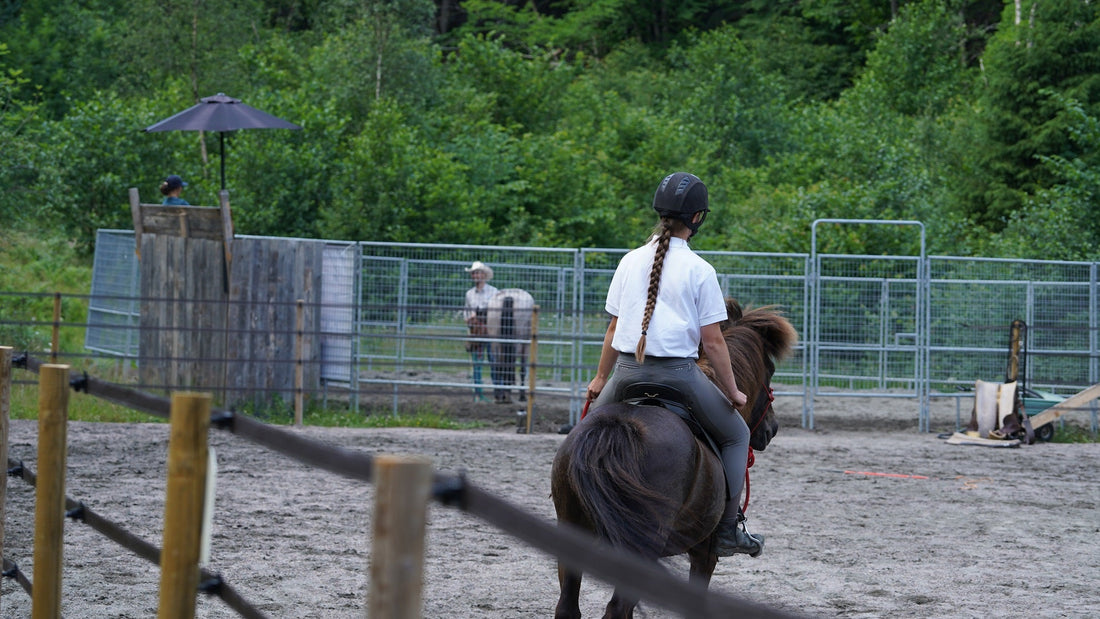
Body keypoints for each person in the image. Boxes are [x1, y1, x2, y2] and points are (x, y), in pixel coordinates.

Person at [585, 171, 764, 557]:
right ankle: (729, 530)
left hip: (627, 374)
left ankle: (575, 510)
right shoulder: (701, 270)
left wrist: (601, 378)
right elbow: (714, 342)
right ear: (697, 218)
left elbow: (614, 329)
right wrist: (733, 391)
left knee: (584, 437)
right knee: (737, 436)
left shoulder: (630, 261)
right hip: (680, 376)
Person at [463, 261, 499, 402]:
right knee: (477, 363)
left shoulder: (494, 292)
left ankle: (498, 392)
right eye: (474, 273)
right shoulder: (469, 294)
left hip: (490, 331)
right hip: (476, 331)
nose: (476, 275)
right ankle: (478, 393)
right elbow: (466, 313)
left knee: (493, 361)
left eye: (478, 272)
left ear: (484, 275)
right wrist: (471, 320)